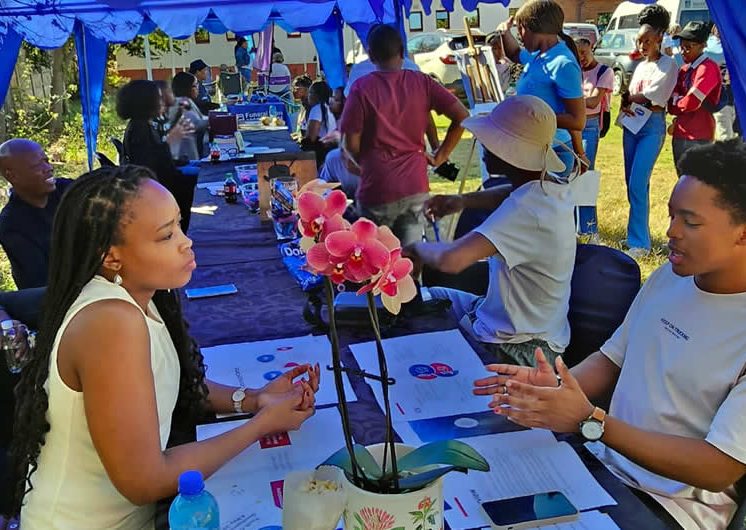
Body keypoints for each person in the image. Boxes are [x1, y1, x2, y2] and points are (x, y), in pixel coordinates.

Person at [9, 165, 320, 527]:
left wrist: (254, 399)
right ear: (111, 256)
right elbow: (145, 481)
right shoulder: (110, 322)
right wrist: (261, 425)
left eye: (179, 225)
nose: (186, 242)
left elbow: (166, 382)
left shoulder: (139, 293)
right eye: (166, 235)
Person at [474, 140, 746, 530]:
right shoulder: (669, 278)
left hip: (670, 508)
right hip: (601, 466)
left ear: (742, 233)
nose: (670, 231)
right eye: (671, 215)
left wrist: (592, 422)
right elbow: (611, 359)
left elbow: (718, 468)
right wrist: (553, 390)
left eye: (690, 222)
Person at [404, 96, 575, 367]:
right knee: (429, 297)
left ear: (511, 154)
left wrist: (415, 249)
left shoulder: (525, 212)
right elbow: (509, 192)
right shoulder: (551, 189)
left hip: (518, 348)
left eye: (491, 141)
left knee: (417, 347)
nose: (482, 145)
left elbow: (452, 260)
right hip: (524, 325)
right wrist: (462, 201)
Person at [340, 24, 469, 246]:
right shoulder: (422, 82)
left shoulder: (361, 88)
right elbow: (462, 116)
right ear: (402, 51)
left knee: (376, 257)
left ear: (371, 55)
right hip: (414, 187)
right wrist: (441, 155)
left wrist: (363, 162)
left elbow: (351, 144)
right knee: (410, 256)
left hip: (376, 187)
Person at [496, 0, 587, 179]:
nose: (519, 36)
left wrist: (528, 117)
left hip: (553, 152)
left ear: (532, 27)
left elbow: (577, 120)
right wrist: (504, 33)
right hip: (534, 148)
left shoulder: (562, 63)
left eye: (520, 29)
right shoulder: (538, 56)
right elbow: (514, 53)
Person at [619, 5, 678, 258]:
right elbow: (634, 96)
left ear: (659, 38)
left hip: (651, 128)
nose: (642, 46)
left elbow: (653, 97)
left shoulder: (668, 65)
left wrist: (629, 98)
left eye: (647, 41)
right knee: (631, 183)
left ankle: (641, 244)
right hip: (632, 125)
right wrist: (627, 102)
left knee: (638, 182)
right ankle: (635, 235)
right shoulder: (641, 66)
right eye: (639, 41)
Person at [117, 79, 197, 233]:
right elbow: (149, 166)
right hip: (156, 189)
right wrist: (169, 142)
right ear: (146, 103)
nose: (162, 103)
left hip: (161, 180)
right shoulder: (139, 130)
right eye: (158, 99)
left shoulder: (144, 125)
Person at [0, 139, 74, 289]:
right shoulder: (11, 226)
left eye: (46, 161)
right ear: (13, 176)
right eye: (37, 165)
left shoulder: (67, 190)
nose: (49, 168)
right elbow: (41, 282)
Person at [668, 21, 722, 170]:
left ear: (702, 45)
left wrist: (678, 102)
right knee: (682, 178)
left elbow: (691, 102)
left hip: (699, 136)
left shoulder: (708, 68)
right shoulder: (684, 70)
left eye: (688, 47)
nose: (683, 51)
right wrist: (679, 102)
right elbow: (671, 102)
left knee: (697, 180)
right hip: (680, 133)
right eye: (681, 46)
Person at [576, 37, 614, 238]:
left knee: (586, 174)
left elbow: (593, 102)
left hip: (590, 126)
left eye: (584, 52)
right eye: (577, 54)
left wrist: (572, 101)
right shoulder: (574, 71)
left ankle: (589, 228)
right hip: (572, 125)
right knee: (571, 175)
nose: (581, 58)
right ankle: (575, 225)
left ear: (592, 48)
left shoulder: (604, 72)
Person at [707, 25, 739, 141]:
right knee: (724, 129)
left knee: (732, 128)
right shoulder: (710, 44)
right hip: (721, 90)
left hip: (734, 91)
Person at [170, 72, 210, 162]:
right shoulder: (181, 103)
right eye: (195, 85)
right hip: (185, 157)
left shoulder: (188, 101)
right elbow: (195, 123)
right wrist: (213, 119)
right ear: (186, 88)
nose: (198, 88)